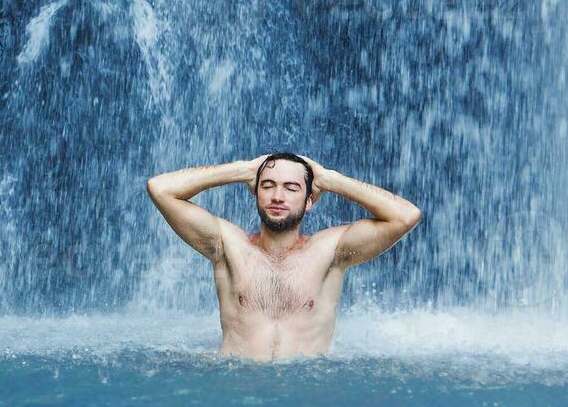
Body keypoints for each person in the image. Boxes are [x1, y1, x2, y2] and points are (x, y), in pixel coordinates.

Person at [146, 152, 420, 360]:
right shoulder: (227, 245)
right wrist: (242, 170)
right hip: (237, 385)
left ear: (309, 200)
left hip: (304, 393)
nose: (278, 196)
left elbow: (406, 216)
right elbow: (160, 188)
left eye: (291, 188)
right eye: (267, 185)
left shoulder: (331, 251)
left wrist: (330, 179)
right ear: (254, 192)